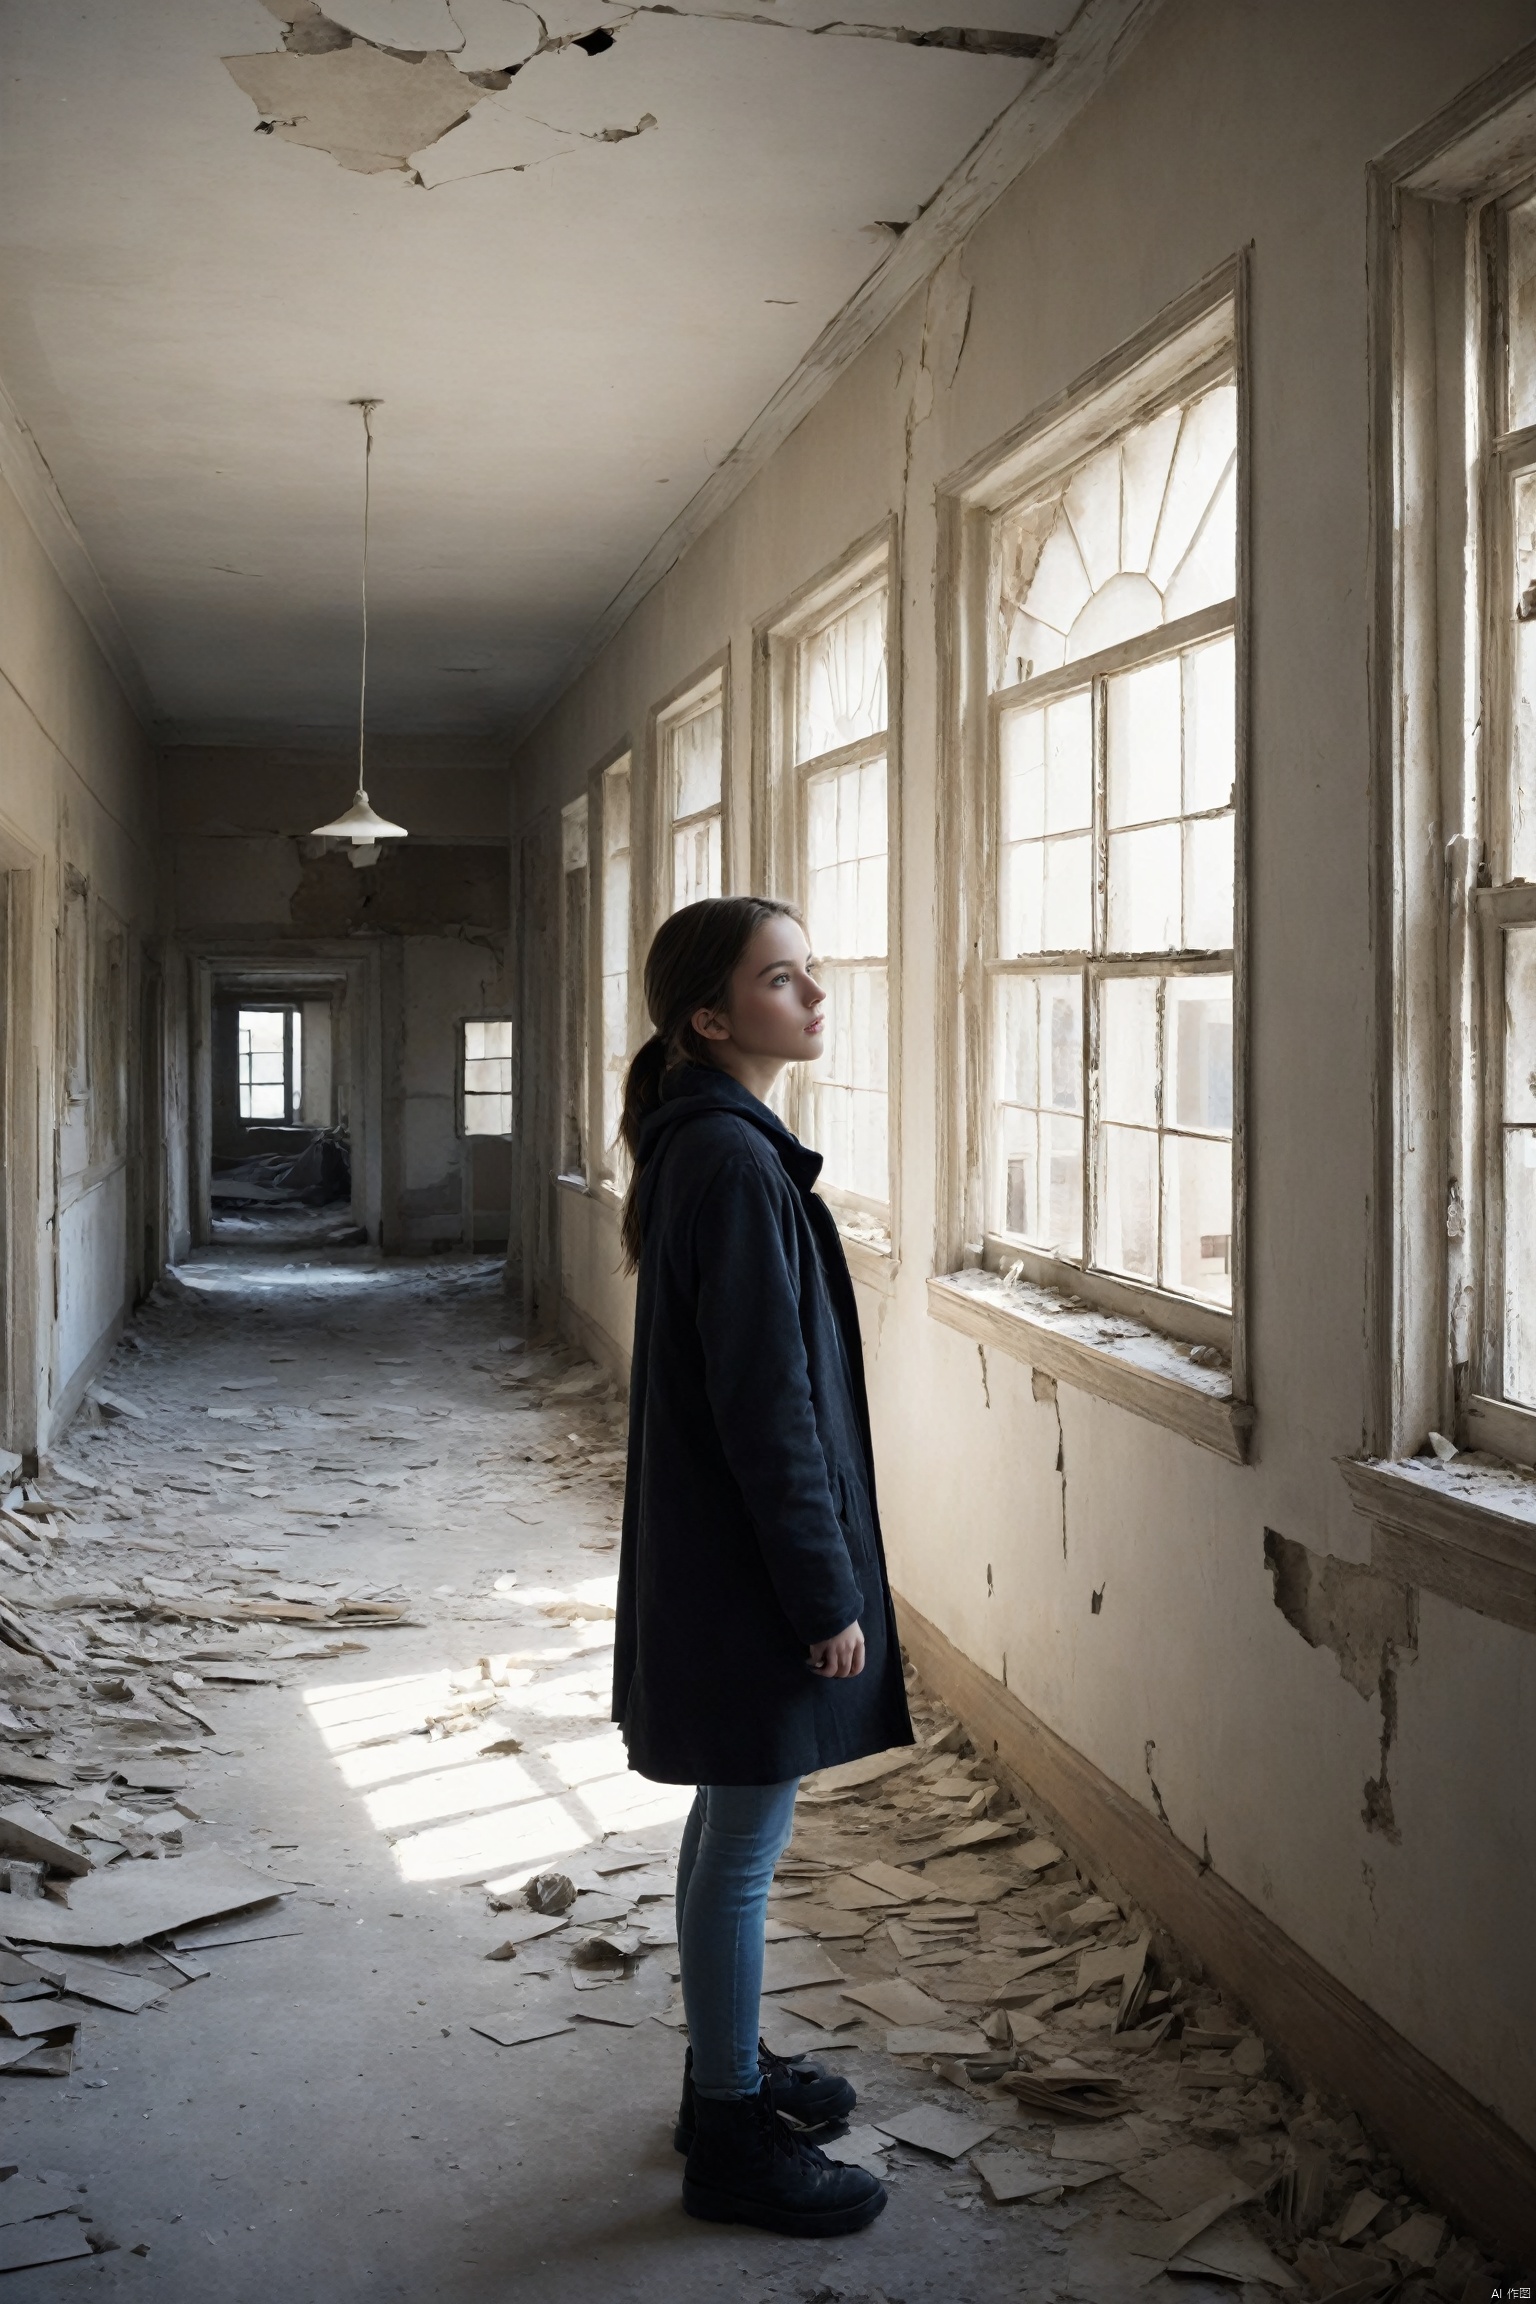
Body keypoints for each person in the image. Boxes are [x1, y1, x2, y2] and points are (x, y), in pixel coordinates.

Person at [612, 895, 914, 2238]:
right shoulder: (733, 1165)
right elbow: (766, 1403)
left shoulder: (715, 1144)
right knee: (744, 1844)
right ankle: (730, 2134)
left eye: (814, 977)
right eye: (782, 980)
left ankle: (717, 2079)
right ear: (711, 1018)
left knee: (728, 1823)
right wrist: (822, 1590)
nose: (814, 998)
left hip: (718, 1557)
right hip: (748, 1571)